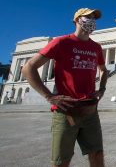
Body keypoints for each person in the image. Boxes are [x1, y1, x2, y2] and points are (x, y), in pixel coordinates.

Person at [22, 8, 108, 167]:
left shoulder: (96, 47)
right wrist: (49, 96)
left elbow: (103, 70)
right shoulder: (61, 42)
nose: (92, 20)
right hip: (65, 111)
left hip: (90, 110)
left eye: (94, 18)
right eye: (88, 17)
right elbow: (28, 68)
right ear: (77, 20)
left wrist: (102, 88)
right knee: (61, 161)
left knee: (97, 154)